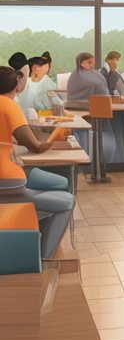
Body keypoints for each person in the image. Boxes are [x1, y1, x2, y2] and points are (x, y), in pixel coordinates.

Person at [0, 66, 75, 260]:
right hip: (7, 180)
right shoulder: (8, 105)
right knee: (67, 201)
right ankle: (44, 257)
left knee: (55, 186)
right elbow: (35, 146)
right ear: (16, 86)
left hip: (7, 177)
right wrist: (55, 136)